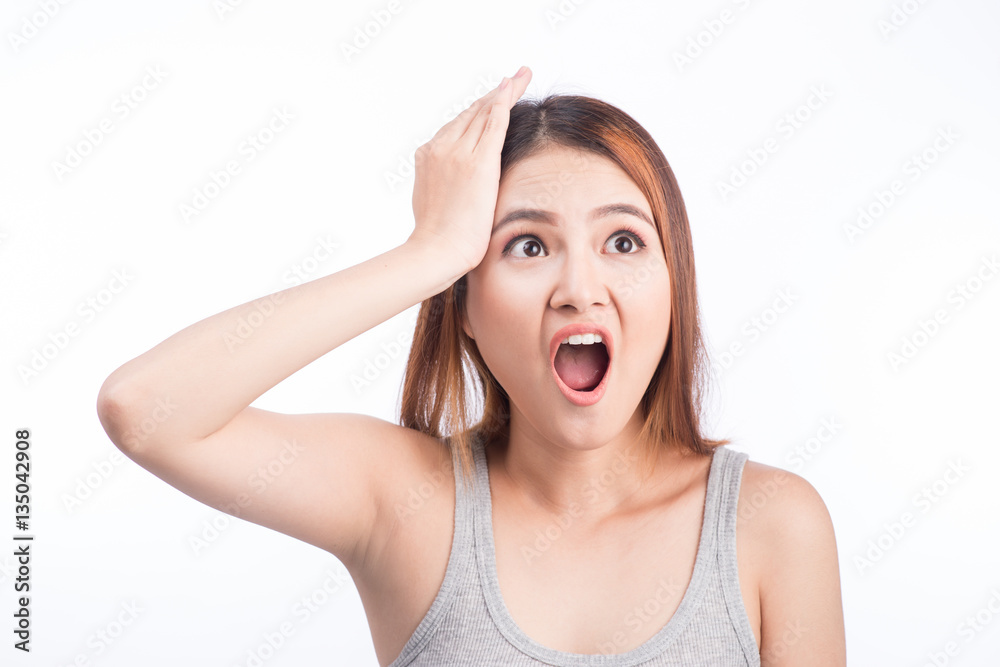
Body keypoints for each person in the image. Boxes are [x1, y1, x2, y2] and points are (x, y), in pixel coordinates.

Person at [96, 65, 846, 666]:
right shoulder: (405, 502)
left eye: (623, 242)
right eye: (527, 245)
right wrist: (428, 253)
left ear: (675, 283)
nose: (581, 290)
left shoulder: (771, 524)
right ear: (465, 308)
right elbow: (146, 409)